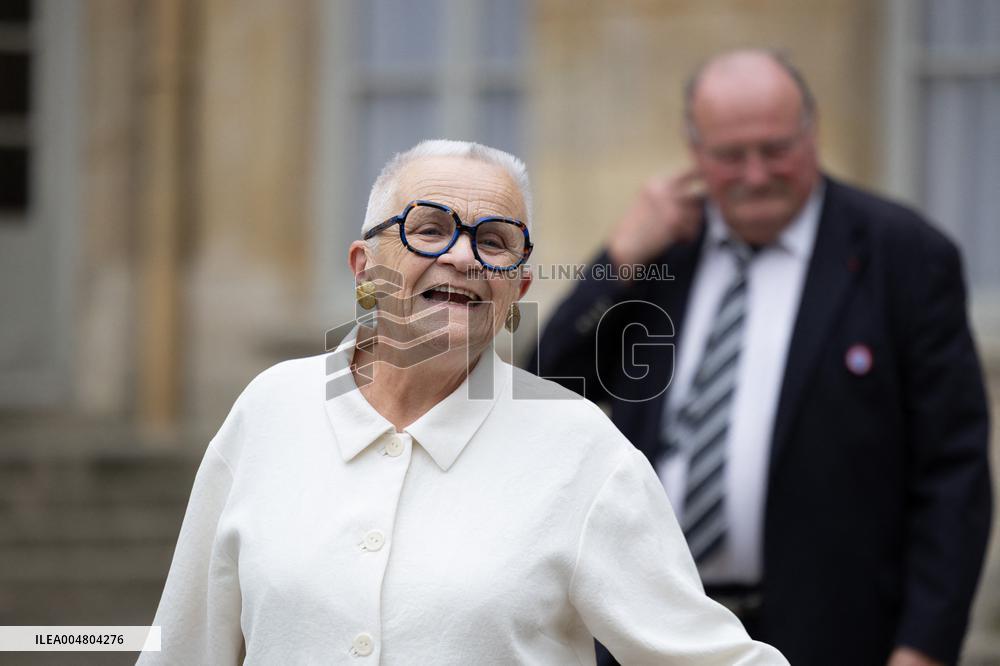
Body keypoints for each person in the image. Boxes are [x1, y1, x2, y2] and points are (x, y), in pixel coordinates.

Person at [138, 139, 788, 664]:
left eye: (495, 241)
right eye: (428, 229)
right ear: (365, 266)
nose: (463, 256)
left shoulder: (580, 448)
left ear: (518, 287)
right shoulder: (270, 410)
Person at [531, 50, 993, 666]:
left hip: (833, 636)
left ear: (813, 132)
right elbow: (545, 396)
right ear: (694, 152)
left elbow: (953, 473)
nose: (754, 174)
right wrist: (615, 264)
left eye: (775, 149)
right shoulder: (663, 253)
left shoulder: (904, 256)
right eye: (729, 155)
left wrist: (923, 648)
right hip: (651, 630)